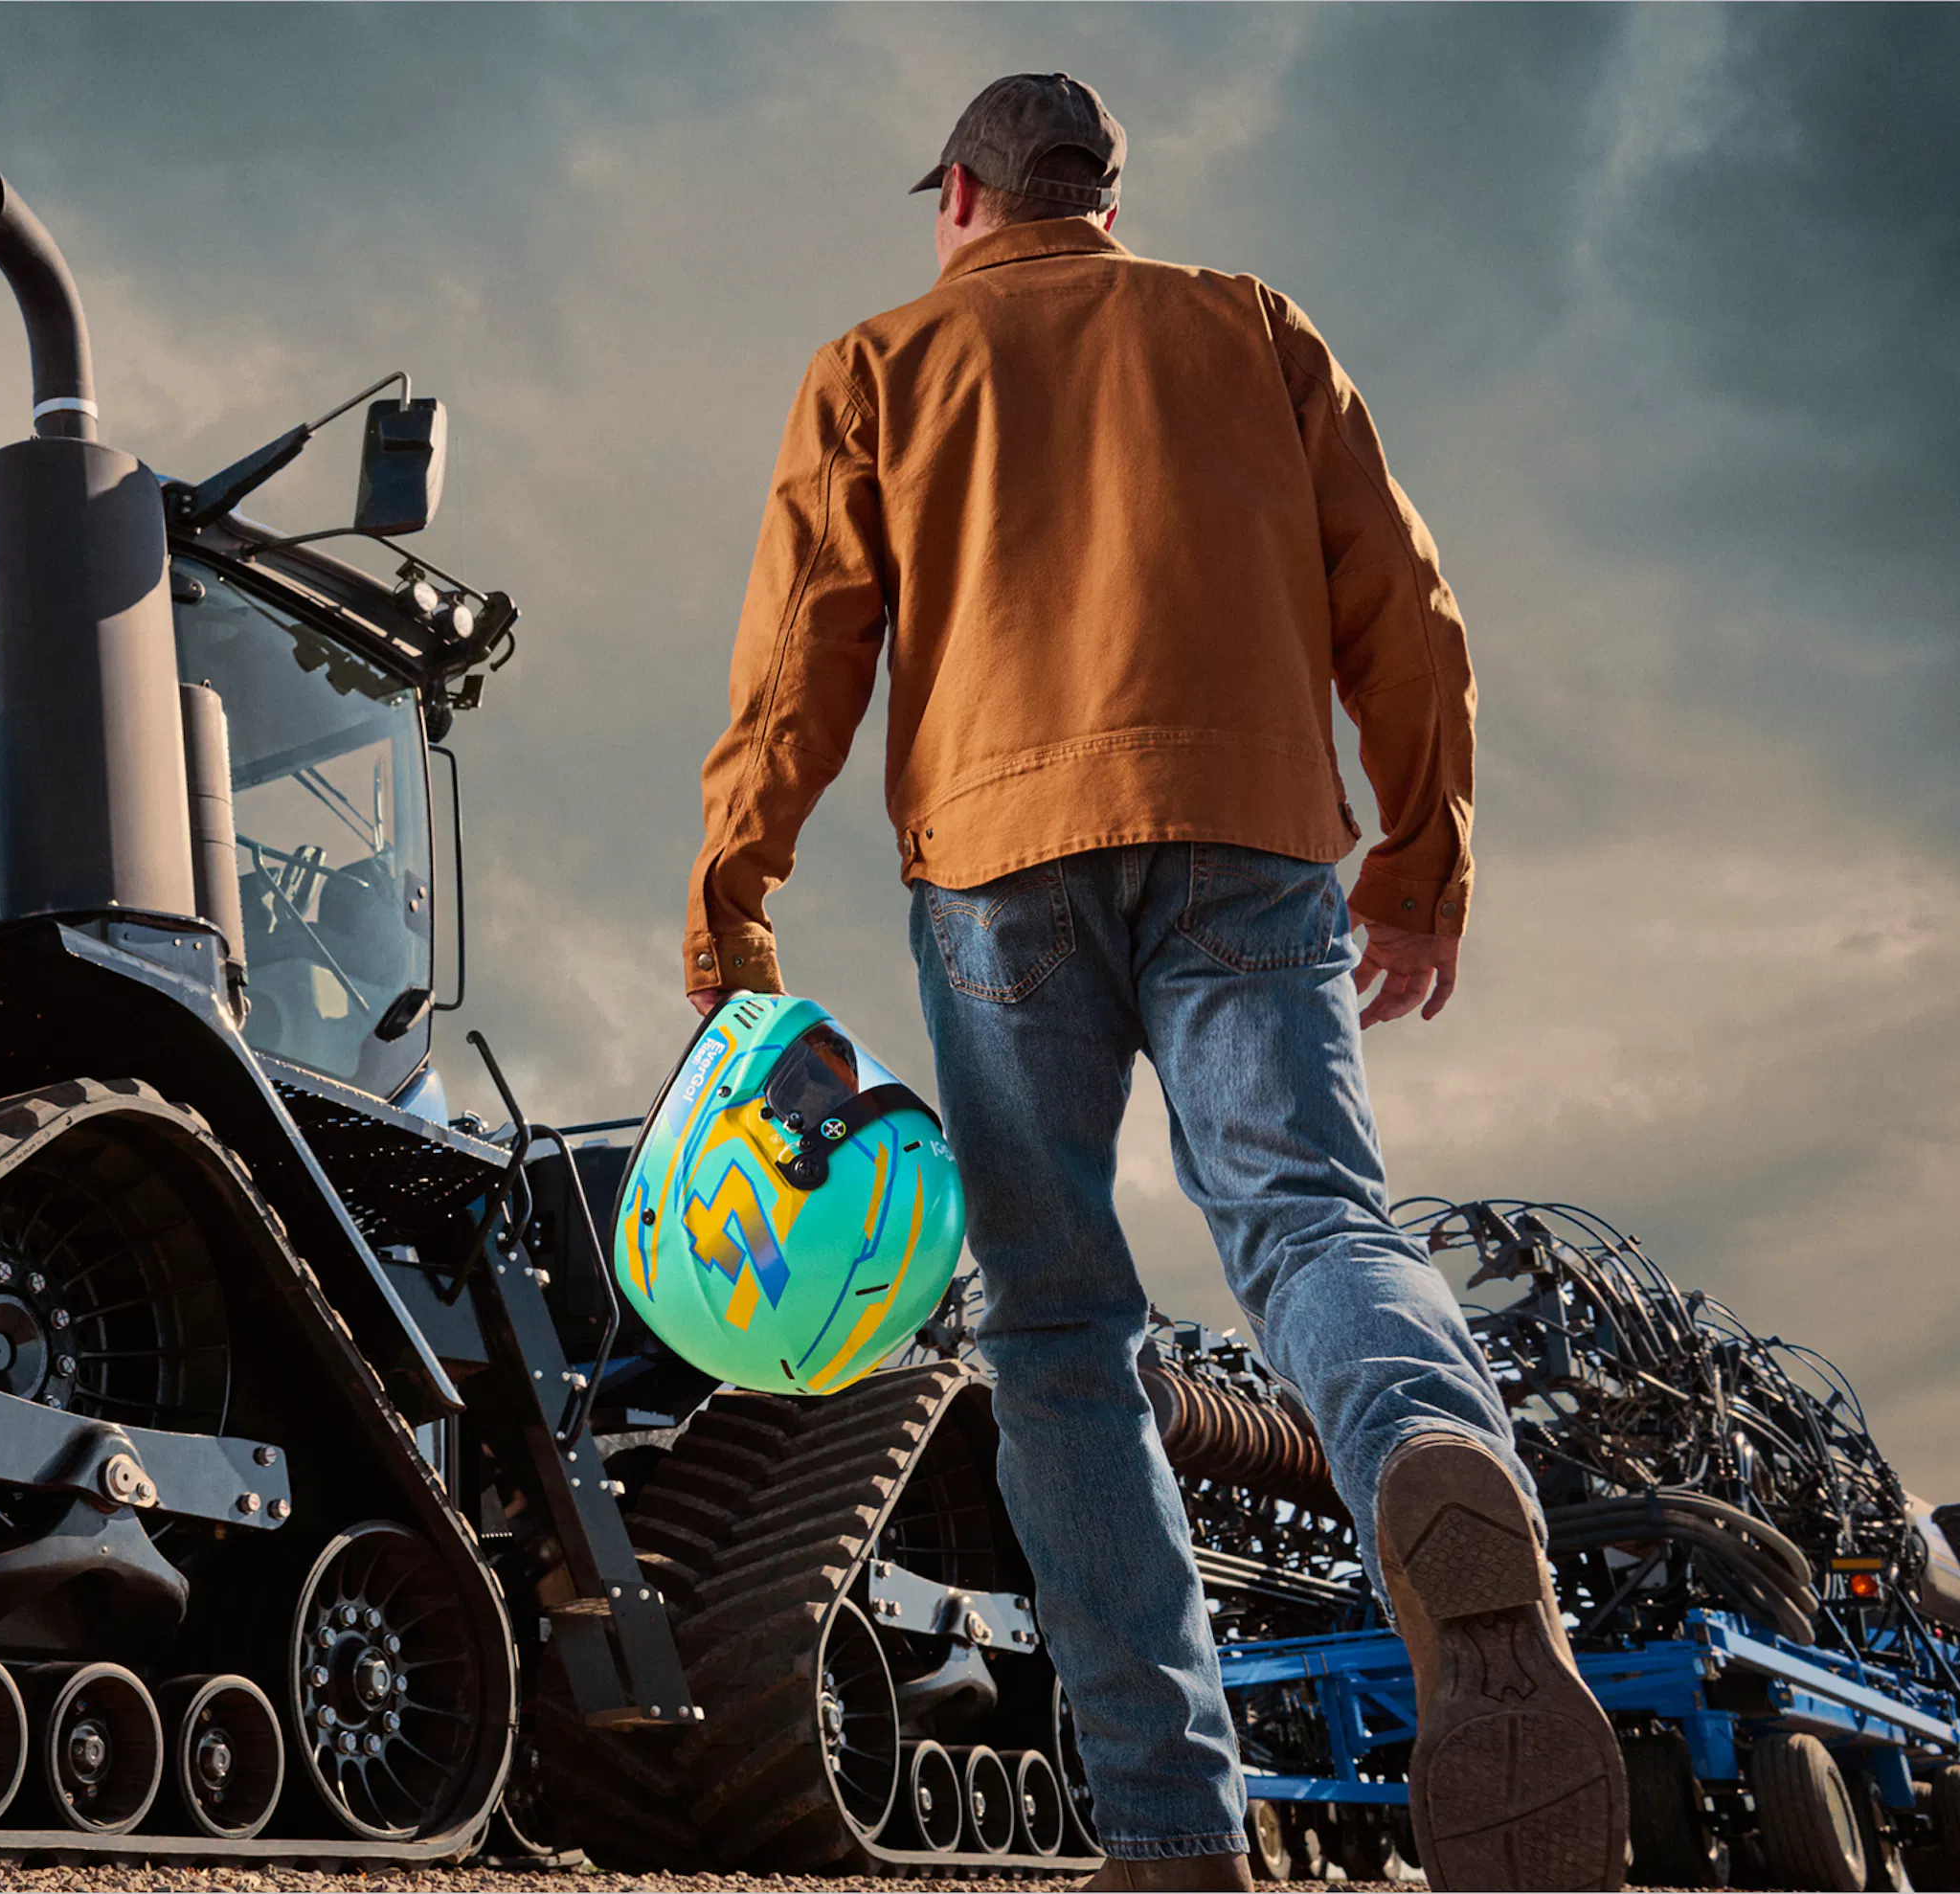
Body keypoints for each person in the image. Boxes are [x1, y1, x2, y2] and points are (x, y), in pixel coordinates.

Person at [679, 73, 1624, 1892]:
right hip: (1249, 827)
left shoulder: (879, 366)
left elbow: (806, 650)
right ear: (1106, 197)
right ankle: (1434, 1453)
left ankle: (1175, 1830)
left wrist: (732, 918)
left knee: (1056, 1335)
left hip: (996, 867)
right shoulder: (1250, 328)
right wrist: (1421, 865)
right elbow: (1408, 611)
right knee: (1313, 1227)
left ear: (962, 195)